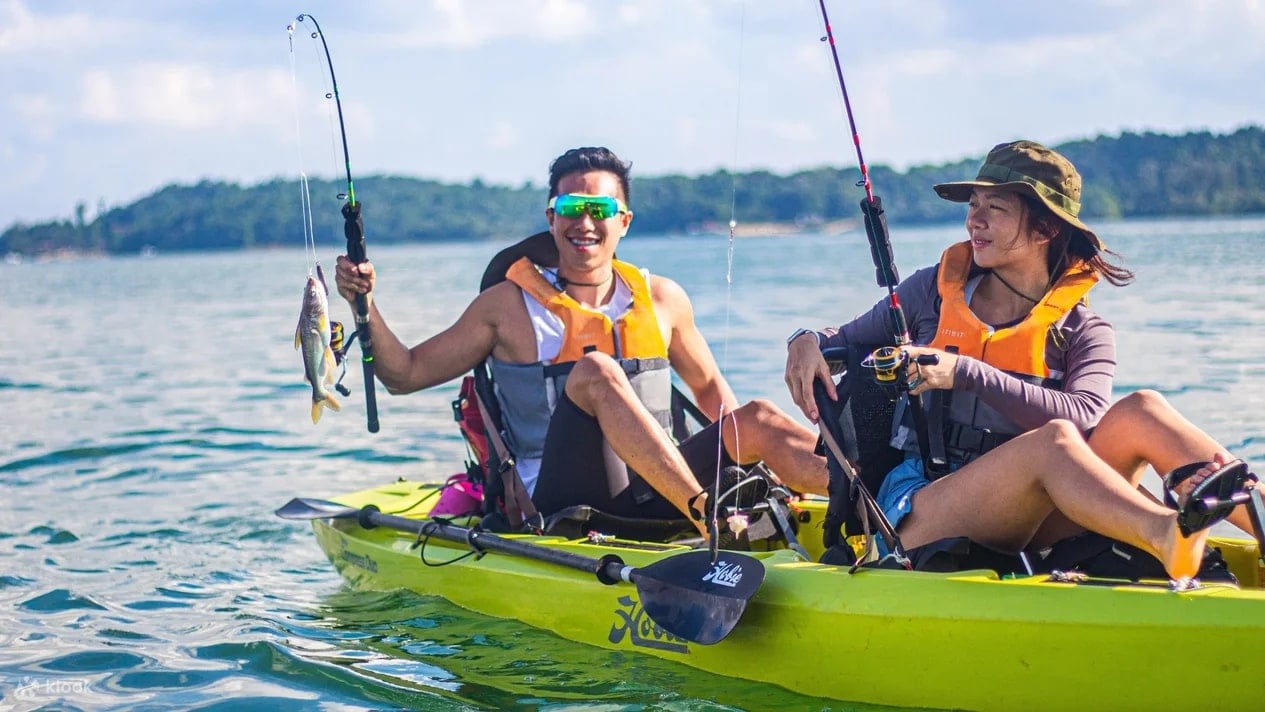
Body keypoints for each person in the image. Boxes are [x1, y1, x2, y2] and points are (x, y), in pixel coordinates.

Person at [784, 140, 1259, 580]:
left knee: (1144, 410)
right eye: (973, 205)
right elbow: (840, 339)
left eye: (995, 208)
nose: (974, 221)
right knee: (1052, 443)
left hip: (1038, 514)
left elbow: (1086, 415)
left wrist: (965, 373)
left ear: (1046, 228)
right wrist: (804, 340)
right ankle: (1166, 533)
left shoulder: (1083, 330)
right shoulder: (929, 291)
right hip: (922, 510)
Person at [335, 146, 826, 536]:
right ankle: (707, 516)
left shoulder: (663, 299)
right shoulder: (506, 307)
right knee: (596, 371)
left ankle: (866, 500)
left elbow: (710, 390)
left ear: (624, 221)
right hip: (562, 505)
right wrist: (365, 303)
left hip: (662, 491)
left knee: (759, 419)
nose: (584, 222)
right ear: (552, 218)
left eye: (600, 208)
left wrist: (755, 464)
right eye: (571, 208)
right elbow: (404, 374)